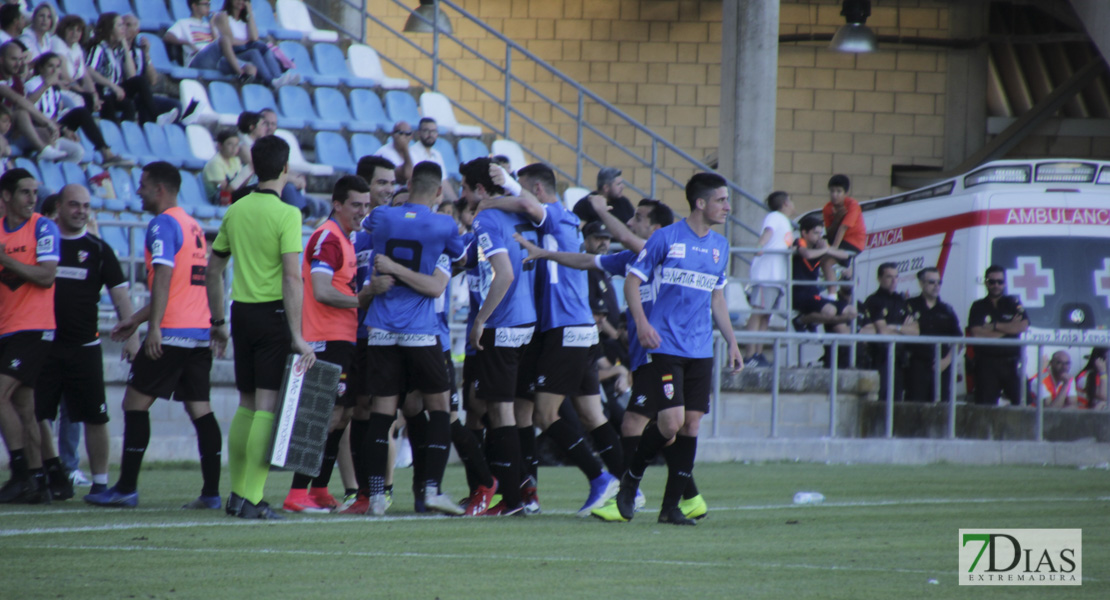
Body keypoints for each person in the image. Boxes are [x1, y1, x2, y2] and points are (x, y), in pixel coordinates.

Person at [482, 161, 622, 516]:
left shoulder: (555, 217)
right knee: (580, 413)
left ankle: (601, 479)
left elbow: (527, 205)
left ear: (538, 191)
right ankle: (626, 487)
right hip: (568, 330)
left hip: (566, 329)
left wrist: (502, 190)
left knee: (545, 413)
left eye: (524, 188)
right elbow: (523, 208)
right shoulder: (557, 220)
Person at [84, 163, 223, 510]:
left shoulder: (162, 224)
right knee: (200, 409)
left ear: (160, 189)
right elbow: (178, 287)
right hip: (198, 332)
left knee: (134, 403)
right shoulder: (191, 225)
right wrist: (135, 319)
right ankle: (211, 494)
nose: (139, 191)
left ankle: (126, 488)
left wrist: (155, 327)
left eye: (143, 185)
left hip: (172, 332)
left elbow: (163, 277)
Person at [613, 172, 743, 526]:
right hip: (666, 343)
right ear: (700, 203)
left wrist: (731, 341)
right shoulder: (665, 239)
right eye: (721, 200)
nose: (727, 207)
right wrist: (642, 323)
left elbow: (717, 297)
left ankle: (671, 508)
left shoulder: (721, 246)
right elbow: (632, 281)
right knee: (669, 422)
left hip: (701, 348)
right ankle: (631, 481)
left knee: (691, 426)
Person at [206, 135, 316, 520]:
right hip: (271, 317)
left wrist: (218, 322)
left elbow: (213, 268)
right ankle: (252, 498)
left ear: (253, 166)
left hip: (241, 314)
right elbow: (291, 277)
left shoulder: (236, 209)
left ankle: (237, 494)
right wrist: (298, 336)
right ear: (285, 168)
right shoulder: (287, 214)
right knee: (266, 409)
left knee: (246, 404)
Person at [358, 160, 465, 516]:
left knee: (382, 411)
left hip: (381, 328)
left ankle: (375, 496)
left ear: (409, 183)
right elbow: (460, 256)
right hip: (420, 330)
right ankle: (432, 489)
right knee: (440, 409)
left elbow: (368, 227)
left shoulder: (382, 217)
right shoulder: (444, 223)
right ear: (437, 192)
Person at [34, 185, 139, 502]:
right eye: (74, 205)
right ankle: (46, 478)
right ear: (60, 207)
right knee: (38, 415)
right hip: (43, 346)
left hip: (85, 348)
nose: (81, 210)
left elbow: (121, 296)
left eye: (86, 206)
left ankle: (100, 484)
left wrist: (133, 336)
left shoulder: (98, 249)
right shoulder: (41, 246)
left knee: (96, 416)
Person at [282, 175, 374, 513]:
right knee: (325, 414)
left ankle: (319, 487)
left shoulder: (346, 238)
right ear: (337, 203)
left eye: (366, 206)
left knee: (343, 414)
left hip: (342, 337)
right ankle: (297, 492)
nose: (362, 212)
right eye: (355, 205)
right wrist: (361, 299)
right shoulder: (328, 238)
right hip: (326, 337)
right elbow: (320, 289)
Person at [462, 158, 540, 516]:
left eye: (465, 187)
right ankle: (524, 489)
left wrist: (480, 320)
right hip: (528, 323)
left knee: (500, 410)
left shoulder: (487, 218)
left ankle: (511, 498)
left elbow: (504, 275)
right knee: (506, 408)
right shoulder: (521, 213)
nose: (462, 195)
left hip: (503, 324)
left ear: (479, 189)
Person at [0, 167, 58, 504]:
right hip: (7, 329)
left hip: (34, 328)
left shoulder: (42, 226)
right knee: (24, 407)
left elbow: (47, 276)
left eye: (34, 193)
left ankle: (21, 474)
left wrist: (6, 260)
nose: (31, 199)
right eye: (24, 192)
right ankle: (39, 483)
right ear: (6, 196)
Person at [25, 52, 132, 166]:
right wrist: (45, 85)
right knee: (82, 112)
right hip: (39, 128)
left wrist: (64, 128)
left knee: (81, 113)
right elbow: (30, 111)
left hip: (53, 126)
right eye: (50, 66)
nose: (55, 71)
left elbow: (55, 115)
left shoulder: (55, 87)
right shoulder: (33, 84)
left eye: (57, 67)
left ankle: (106, 152)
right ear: (41, 68)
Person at [86, 13, 176, 125]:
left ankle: (154, 119)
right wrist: (112, 85)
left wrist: (124, 46)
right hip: (103, 91)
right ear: (110, 29)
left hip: (115, 92)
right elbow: (89, 70)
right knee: (125, 103)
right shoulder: (99, 48)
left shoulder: (118, 50)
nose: (123, 28)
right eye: (120, 25)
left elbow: (132, 76)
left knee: (136, 89)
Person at [188, 0, 298, 88]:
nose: (241, 1)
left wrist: (249, 12)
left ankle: (278, 78)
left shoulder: (244, 20)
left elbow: (254, 37)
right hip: (230, 53)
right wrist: (248, 43)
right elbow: (229, 40)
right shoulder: (222, 16)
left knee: (262, 49)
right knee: (255, 49)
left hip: (244, 51)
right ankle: (271, 81)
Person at [744, 190, 795, 367]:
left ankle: (758, 354)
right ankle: (749, 355)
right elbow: (768, 232)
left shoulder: (785, 222)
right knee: (758, 313)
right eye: (791, 201)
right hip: (766, 275)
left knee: (766, 316)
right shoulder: (775, 216)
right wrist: (760, 245)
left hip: (776, 277)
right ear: (785, 203)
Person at [968, 266, 1029, 406]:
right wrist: (1009, 329)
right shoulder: (978, 306)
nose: (996, 285)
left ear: (1005, 283)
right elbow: (977, 334)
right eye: (992, 281)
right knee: (984, 407)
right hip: (986, 363)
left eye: (1000, 282)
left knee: (1022, 404)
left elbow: (1023, 326)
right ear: (986, 283)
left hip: (1012, 363)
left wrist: (995, 326)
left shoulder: (1013, 303)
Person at [0, 40, 68, 160]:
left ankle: (39, 158)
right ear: (1, 60)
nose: (18, 64)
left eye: (20, 60)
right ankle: (41, 150)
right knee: (22, 113)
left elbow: (23, 105)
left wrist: (51, 126)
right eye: (14, 59)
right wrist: (47, 122)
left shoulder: (16, 81)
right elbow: (18, 101)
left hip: (9, 126)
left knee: (47, 133)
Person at [790, 214, 857, 334]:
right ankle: (800, 320)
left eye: (821, 233)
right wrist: (825, 250)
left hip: (813, 294)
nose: (819, 237)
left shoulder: (819, 246)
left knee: (852, 312)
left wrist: (826, 249)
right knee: (830, 311)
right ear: (804, 233)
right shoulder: (799, 242)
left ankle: (812, 321)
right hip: (799, 295)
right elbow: (807, 254)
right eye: (816, 233)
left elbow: (845, 255)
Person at [860, 263, 918, 402]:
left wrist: (894, 327)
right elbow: (883, 332)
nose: (894, 281)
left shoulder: (901, 301)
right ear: (879, 278)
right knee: (882, 401)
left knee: (898, 401)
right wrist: (903, 330)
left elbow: (916, 332)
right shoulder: (874, 300)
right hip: (881, 358)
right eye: (889, 277)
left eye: (896, 277)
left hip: (900, 359)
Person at [904, 267, 961, 402]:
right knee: (915, 408)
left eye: (939, 282)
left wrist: (946, 361)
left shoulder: (946, 309)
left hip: (941, 367)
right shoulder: (909, 306)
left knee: (941, 409)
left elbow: (959, 340)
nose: (936, 286)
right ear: (921, 283)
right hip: (916, 366)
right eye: (931, 282)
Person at [820, 174, 864, 296]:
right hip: (837, 241)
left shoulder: (852, 205)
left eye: (839, 191)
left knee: (826, 262)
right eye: (832, 191)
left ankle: (832, 296)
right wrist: (836, 219)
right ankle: (842, 274)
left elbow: (844, 227)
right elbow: (829, 232)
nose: (835, 195)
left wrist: (833, 248)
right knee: (820, 248)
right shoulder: (827, 208)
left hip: (853, 242)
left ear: (846, 193)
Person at [51, 15, 100, 112]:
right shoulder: (57, 43)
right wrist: (84, 92)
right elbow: (65, 76)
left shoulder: (76, 47)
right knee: (87, 99)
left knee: (103, 100)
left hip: (75, 86)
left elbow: (84, 74)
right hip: (60, 87)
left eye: (78, 31)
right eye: (71, 30)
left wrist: (94, 93)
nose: (75, 34)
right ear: (63, 29)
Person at [202, 129, 249, 204]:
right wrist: (248, 169)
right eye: (230, 144)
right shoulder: (215, 163)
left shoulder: (235, 160)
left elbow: (241, 185)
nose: (234, 148)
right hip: (218, 199)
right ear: (220, 146)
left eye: (236, 145)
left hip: (233, 194)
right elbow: (226, 190)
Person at [164, 0, 216, 67]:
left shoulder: (209, 25)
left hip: (212, 57)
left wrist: (212, 25)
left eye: (209, 4)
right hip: (196, 59)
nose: (208, 7)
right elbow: (167, 36)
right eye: (205, 4)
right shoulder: (183, 23)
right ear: (194, 6)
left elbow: (218, 43)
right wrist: (187, 42)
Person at [373, 121, 413, 186]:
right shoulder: (384, 153)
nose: (403, 136)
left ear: (411, 137)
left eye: (407, 133)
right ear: (392, 135)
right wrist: (405, 148)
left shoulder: (414, 153)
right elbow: (407, 175)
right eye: (400, 133)